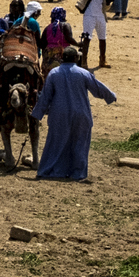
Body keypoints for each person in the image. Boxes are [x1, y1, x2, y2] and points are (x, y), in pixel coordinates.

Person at [32, 46, 116, 181]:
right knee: (80, 143)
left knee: (56, 142)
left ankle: (52, 170)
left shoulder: (54, 73)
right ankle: (77, 173)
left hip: (59, 114)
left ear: (62, 58)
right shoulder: (83, 73)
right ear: (76, 58)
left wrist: (37, 114)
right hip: (81, 114)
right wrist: (110, 96)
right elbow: (97, 87)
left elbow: (46, 97)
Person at [77, 0, 111, 68]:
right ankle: (84, 61)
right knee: (87, 37)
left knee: (103, 38)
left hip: (100, 15)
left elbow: (106, 7)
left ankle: (102, 60)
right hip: (89, 14)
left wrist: (108, 3)